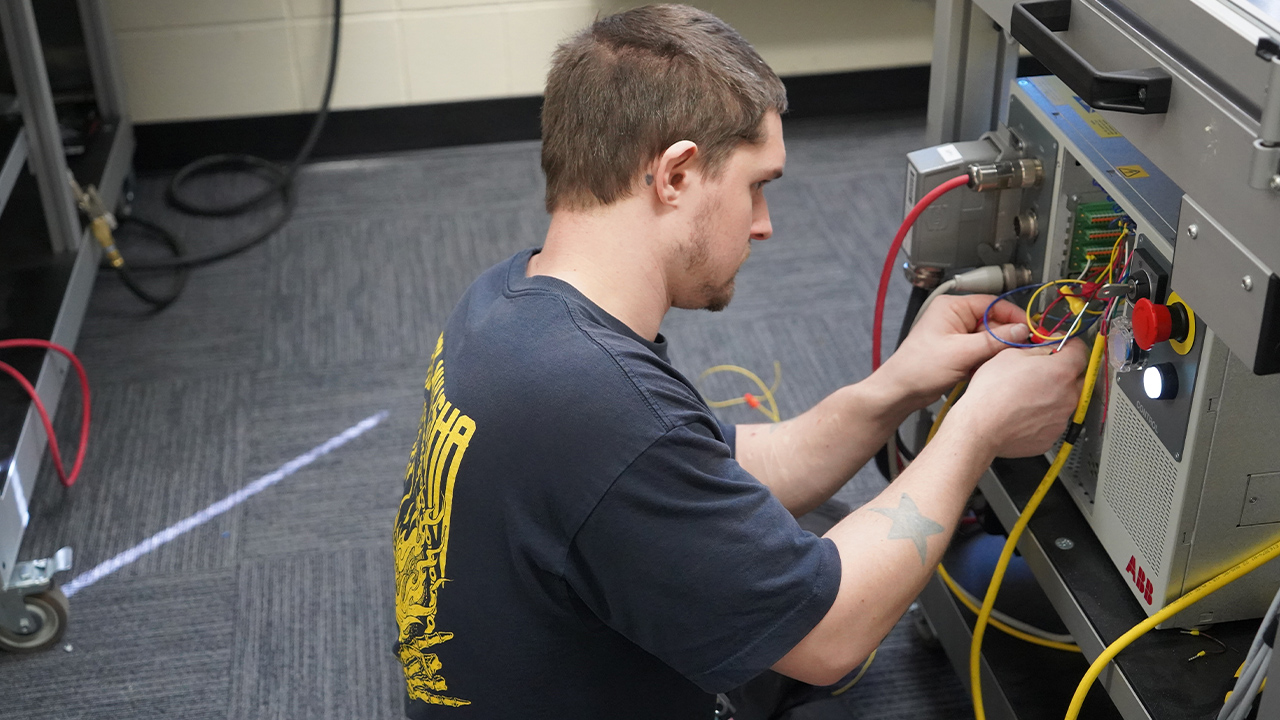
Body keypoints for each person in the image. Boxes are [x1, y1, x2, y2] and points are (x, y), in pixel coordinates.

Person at [392, 5, 1088, 718]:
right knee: (829, 581)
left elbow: (720, 464)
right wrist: (978, 428)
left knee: (816, 523)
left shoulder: (509, 303)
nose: (765, 223)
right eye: (757, 185)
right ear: (676, 175)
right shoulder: (604, 410)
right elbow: (829, 637)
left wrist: (899, 385)